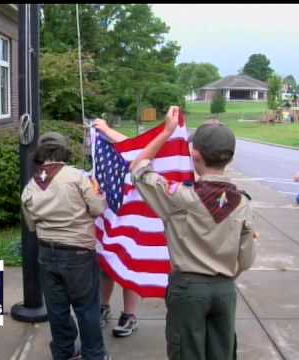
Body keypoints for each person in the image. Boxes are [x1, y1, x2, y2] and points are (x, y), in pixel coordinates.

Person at [128, 106, 257, 360]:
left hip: (188, 289)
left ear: (195, 155)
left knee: (186, 352)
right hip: (224, 289)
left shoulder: (179, 197)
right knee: (222, 352)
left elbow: (138, 168)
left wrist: (166, 132)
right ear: (230, 158)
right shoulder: (242, 202)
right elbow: (246, 258)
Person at [21, 132, 111, 360]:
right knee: (87, 309)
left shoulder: (31, 184)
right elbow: (98, 209)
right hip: (79, 253)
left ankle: (64, 352)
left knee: (57, 309)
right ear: (64, 151)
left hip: (47, 253)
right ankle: (94, 355)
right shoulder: (79, 177)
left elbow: (31, 224)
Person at [92, 119, 142, 338]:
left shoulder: (135, 158)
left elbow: (134, 148)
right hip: (109, 220)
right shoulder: (99, 165)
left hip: (132, 221)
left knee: (129, 268)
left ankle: (129, 315)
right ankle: (103, 306)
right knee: (106, 266)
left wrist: (104, 129)